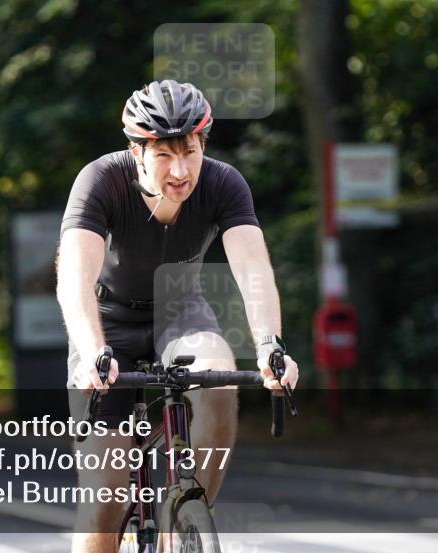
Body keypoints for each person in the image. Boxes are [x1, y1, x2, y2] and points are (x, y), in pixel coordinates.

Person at [57, 79, 299, 553]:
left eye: (190, 151)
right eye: (164, 155)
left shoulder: (223, 182)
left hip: (180, 312)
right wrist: (91, 352)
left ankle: (188, 518)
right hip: (108, 323)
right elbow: (73, 278)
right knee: (104, 498)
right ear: (137, 151)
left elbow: (253, 269)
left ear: (203, 144)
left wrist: (271, 347)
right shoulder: (100, 180)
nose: (181, 170)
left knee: (220, 374)